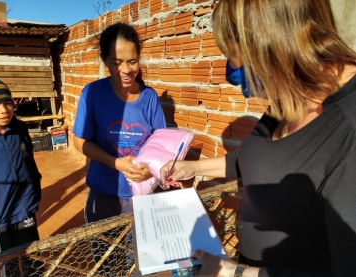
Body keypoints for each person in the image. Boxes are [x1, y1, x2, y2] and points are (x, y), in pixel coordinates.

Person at [160, 0, 356, 276]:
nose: (249, 92)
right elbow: (259, 158)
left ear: (277, 45)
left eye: (245, 73)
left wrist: (236, 274)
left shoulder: (348, 127)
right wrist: (194, 167)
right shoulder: (294, 92)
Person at [73, 22, 166, 274]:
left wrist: (150, 171)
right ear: (105, 60)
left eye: (132, 61)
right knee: (106, 264)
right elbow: (80, 141)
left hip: (141, 198)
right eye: (116, 62)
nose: (125, 70)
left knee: (137, 265)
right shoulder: (92, 93)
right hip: (104, 194)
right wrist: (116, 162)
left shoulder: (149, 98)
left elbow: (162, 146)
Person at [0, 77, 43, 276]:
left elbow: (29, 159)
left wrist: (34, 190)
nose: (4, 110)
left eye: (7, 103)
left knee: (33, 257)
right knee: (7, 264)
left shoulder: (19, 129)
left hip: (25, 207)